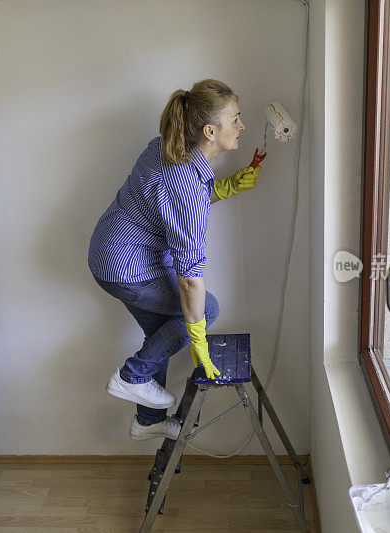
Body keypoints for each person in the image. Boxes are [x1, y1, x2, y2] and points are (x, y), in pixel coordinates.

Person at [88, 79, 260, 441]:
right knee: (206, 309)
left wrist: (224, 187)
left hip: (113, 252)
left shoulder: (167, 148)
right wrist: (198, 337)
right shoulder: (184, 183)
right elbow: (189, 278)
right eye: (237, 119)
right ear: (210, 131)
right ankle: (132, 375)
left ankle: (147, 421)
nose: (242, 126)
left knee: (162, 334)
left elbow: (175, 201)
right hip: (128, 269)